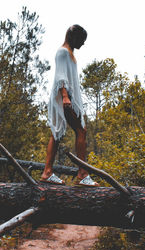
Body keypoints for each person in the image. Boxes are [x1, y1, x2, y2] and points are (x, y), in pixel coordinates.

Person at [40, 25, 99, 187]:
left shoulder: (69, 53)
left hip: (67, 97)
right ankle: (82, 174)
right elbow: (60, 76)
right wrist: (66, 97)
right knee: (81, 130)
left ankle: (47, 172)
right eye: (82, 40)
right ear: (74, 37)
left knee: (57, 134)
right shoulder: (63, 52)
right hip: (64, 98)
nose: (83, 43)